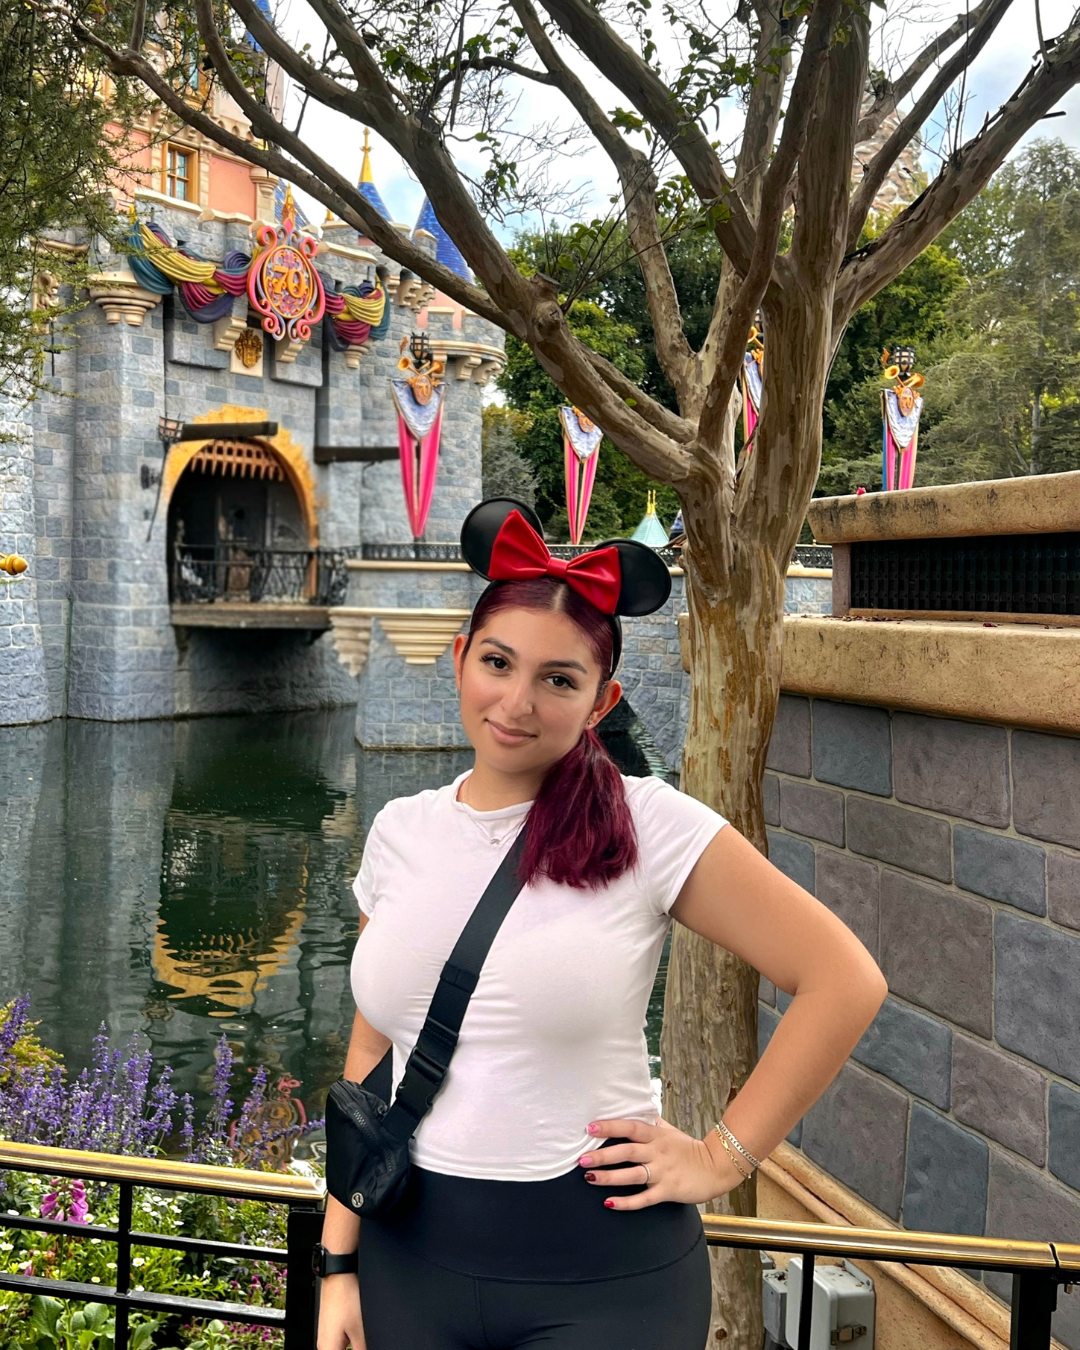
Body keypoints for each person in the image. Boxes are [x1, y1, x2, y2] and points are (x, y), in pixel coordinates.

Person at [317, 499, 887, 1350]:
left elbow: (844, 980)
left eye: (558, 678)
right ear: (460, 659)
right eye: (499, 663)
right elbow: (373, 1056)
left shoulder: (650, 824)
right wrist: (338, 1267)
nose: (516, 701)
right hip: (411, 1259)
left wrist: (721, 1156)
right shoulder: (401, 830)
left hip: (600, 1274)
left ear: (599, 700)